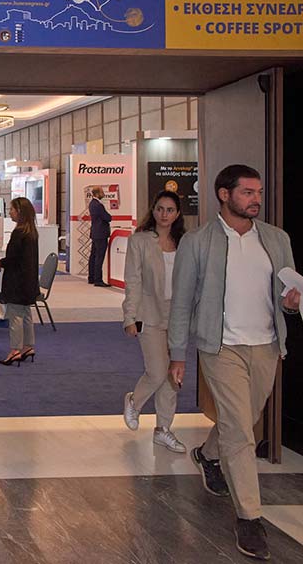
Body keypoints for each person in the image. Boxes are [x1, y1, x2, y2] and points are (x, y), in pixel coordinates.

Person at [168, 164, 300, 560]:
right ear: (224, 195)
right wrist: (177, 354)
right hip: (221, 348)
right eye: (247, 192)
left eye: (257, 192)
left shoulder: (276, 239)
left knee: (243, 420)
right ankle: (249, 518)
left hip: (266, 346)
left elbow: (285, 296)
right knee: (241, 433)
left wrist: (290, 304)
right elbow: (181, 303)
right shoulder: (198, 242)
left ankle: (208, 455)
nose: (256, 199)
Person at [121, 190, 186, 454]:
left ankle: (163, 429)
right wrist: (129, 316)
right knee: (157, 371)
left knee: (173, 376)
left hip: (178, 315)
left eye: (170, 210)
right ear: (153, 210)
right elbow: (133, 281)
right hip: (149, 314)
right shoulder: (139, 241)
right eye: (160, 209)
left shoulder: (185, 242)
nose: (164, 214)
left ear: (177, 214)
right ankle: (134, 402)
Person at [0, 197, 39, 366]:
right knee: (26, 314)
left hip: (17, 282)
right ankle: (28, 346)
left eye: (11, 209)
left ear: (19, 211)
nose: (9, 212)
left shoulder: (19, 233)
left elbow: (13, 258)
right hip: (28, 281)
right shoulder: (31, 232)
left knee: (15, 316)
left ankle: (15, 350)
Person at [88, 186, 112, 286]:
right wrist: (109, 217)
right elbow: (107, 217)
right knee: (99, 257)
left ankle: (91, 277)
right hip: (101, 234)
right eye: (102, 192)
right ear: (97, 193)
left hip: (95, 233)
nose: (103, 194)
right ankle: (98, 279)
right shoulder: (98, 205)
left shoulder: (92, 204)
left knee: (93, 256)